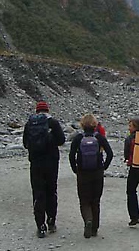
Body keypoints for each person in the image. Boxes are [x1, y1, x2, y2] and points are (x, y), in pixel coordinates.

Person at [23, 101, 66, 238]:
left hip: (36, 163)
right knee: (51, 191)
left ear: (37, 111)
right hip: (52, 162)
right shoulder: (53, 122)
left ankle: (40, 226)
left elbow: (25, 143)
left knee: (38, 193)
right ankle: (51, 221)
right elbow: (61, 140)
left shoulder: (30, 123)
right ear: (47, 110)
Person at [69, 114, 114, 239]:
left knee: (84, 200)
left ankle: (88, 220)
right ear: (95, 124)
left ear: (82, 125)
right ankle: (94, 228)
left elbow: (71, 155)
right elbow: (110, 153)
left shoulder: (78, 137)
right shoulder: (99, 137)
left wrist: (75, 169)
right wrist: (104, 166)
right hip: (97, 172)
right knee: (96, 200)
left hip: (83, 172)